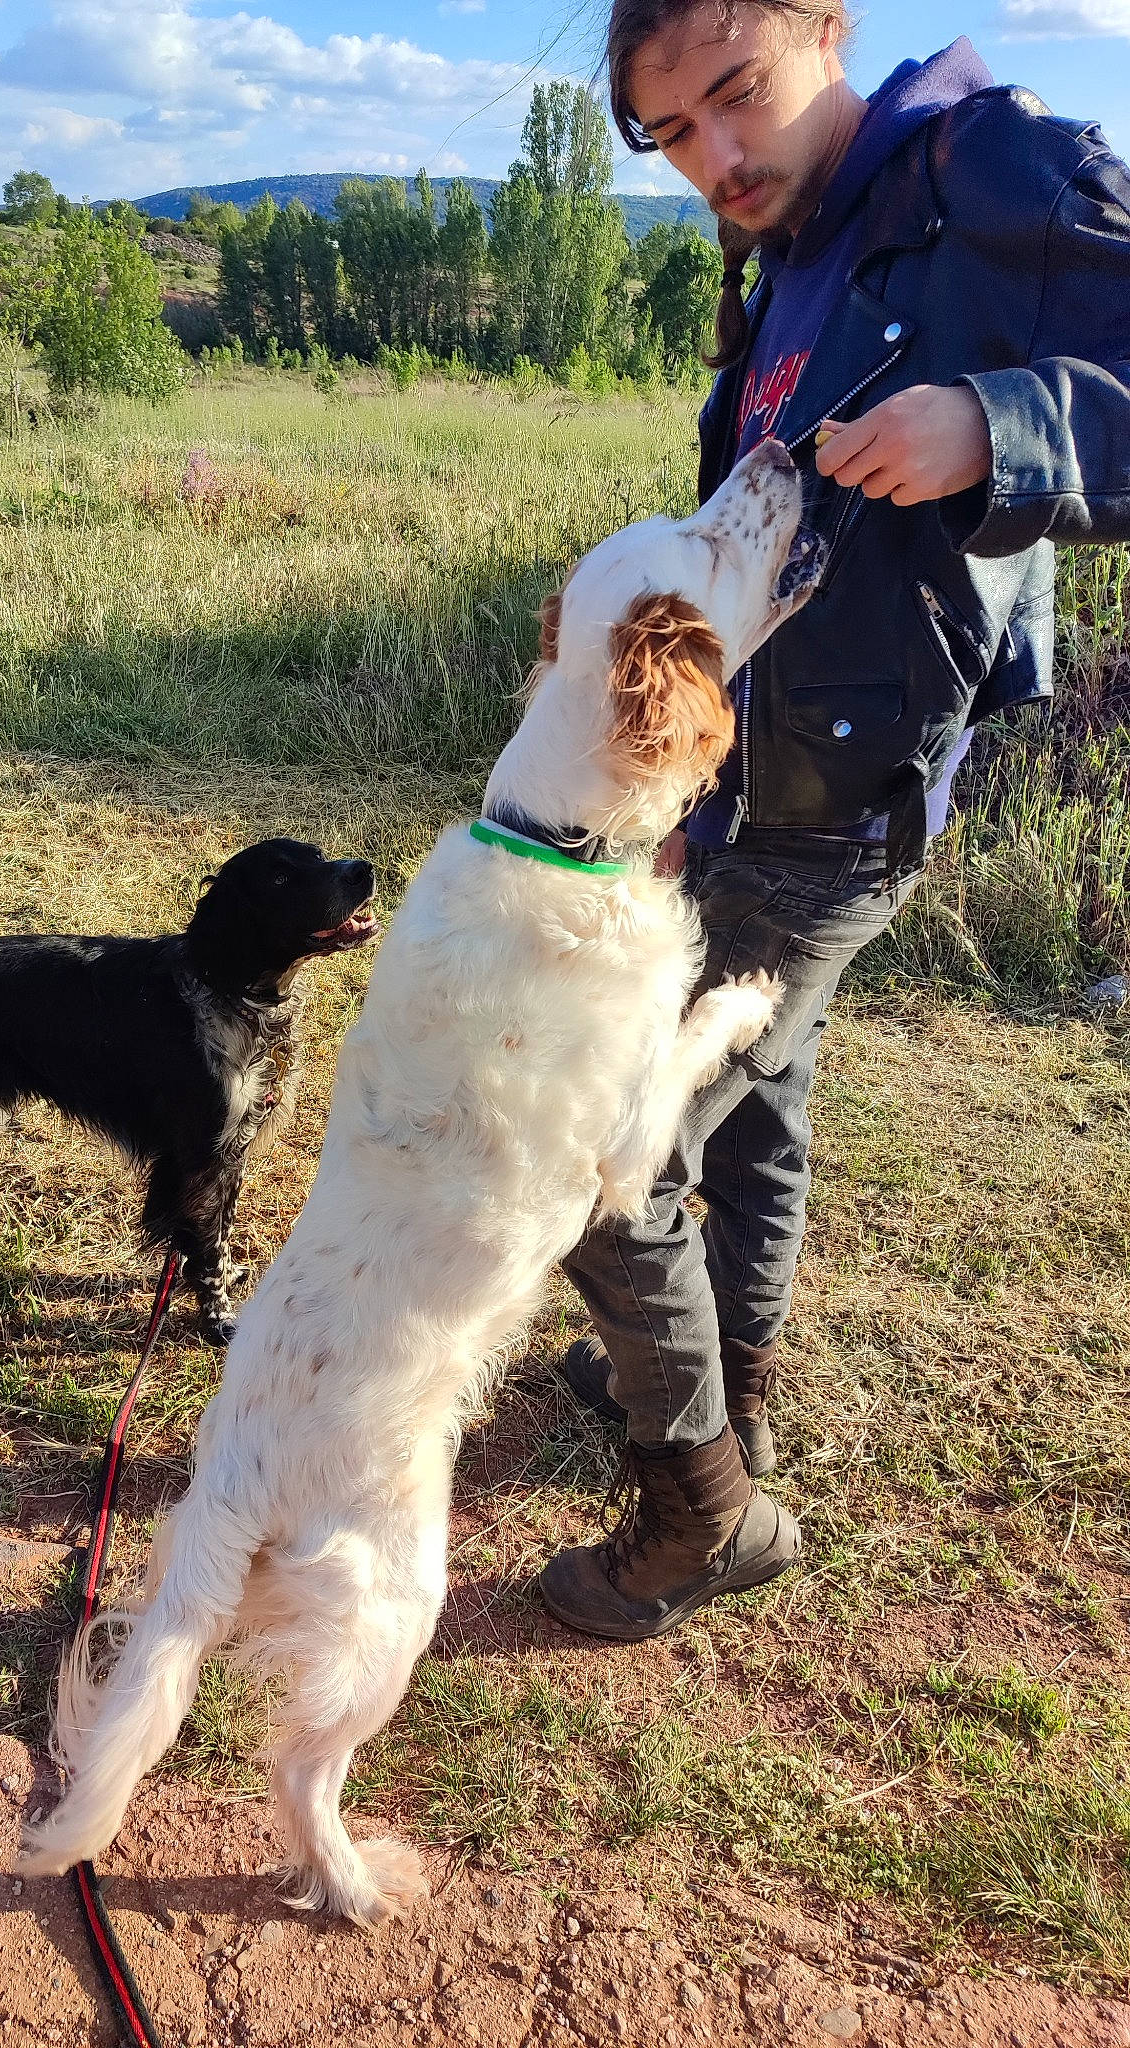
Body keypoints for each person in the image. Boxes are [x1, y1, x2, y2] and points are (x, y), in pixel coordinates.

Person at [537, 0, 1130, 1640]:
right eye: (673, 137)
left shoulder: (996, 170)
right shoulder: (804, 234)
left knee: (606, 1144)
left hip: (846, 804)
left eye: (740, 92)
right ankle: (733, 1388)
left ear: (825, 26)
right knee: (764, 1093)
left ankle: (701, 1512)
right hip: (759, 780)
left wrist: (996, 430)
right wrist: (682, 781)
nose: (717, 158)